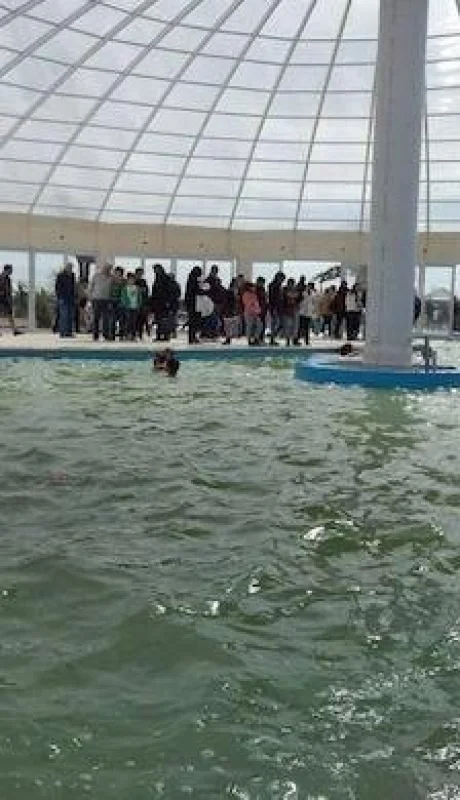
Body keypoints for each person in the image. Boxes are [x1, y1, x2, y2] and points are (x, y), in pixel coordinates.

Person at [89, 263, 114, 341]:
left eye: (109, 268)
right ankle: (95, 335)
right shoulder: (96, 276)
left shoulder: (111, 278)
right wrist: (90, 298)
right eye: (106, 268)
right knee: (96, 318)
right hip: (96, 299)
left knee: (106, 318)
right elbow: (91, 287)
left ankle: (106, 335)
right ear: (103, 268)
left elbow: (113, 288)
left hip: (106, 300)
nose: (108, 270)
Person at [55, 262, 76, 338]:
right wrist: (59, 298)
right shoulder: (60, 276)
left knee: (70, 316)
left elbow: (73, 287)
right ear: (66, 267)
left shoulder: (72, 275)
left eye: (71, 267)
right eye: (69, 267)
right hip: (63, 298)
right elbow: (57, 287)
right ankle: (63, 332)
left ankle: (69, 332)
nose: (70, 269)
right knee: (64, 316)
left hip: (71, 298)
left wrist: (75, 297)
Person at [185, 265, 202, 344]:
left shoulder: (190, 280)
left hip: (191, 304)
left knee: (192, 322)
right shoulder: (195, 281)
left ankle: (192, 337)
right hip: (195, 304)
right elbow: (197, 292)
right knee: (194, 322)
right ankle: (192, 337)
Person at [121, 272, 141, 340]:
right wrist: (125, 305)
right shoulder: (125, 288)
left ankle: (133, 334)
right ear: (127, 280)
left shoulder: (137, 288)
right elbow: (123, 298)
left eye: (133, 279)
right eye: (130, 279)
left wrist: (139, 304)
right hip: (128, 307)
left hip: (135, 307)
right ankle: (127, 334)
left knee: (134, 322)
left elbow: (139, 297)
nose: (131, 281)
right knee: (128, 321)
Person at [0, 264, 18, 335]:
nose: (12, 271)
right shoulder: (2, 277)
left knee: (10, 314)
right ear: (7, 270)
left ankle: (15, 330)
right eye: (11, 269)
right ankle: (15, 330)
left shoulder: (7, 278)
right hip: (2, 299)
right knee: (8, 314)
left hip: (6, 299)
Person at [268, 271, 285, 344]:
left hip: (279, 307)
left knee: (280, 324)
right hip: (275, 307)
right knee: (276, 324)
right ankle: (272, 338)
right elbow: (272, 298)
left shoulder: (278, 286)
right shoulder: (273, 286)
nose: (282, 281)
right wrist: (273, 308)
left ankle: (272, 337)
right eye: (281, 279)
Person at [283, 277, 300, 346]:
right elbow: (286, 298)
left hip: (294, 309)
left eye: (292, 284)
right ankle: (288, 340)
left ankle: (294, 340)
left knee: (295, 326)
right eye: (290, 284)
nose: (291, 285)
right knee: (288, 326)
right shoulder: (284, 290)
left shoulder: (295, 290)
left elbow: (298, 298)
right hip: (287, 310)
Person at [222, 278, 239, 345]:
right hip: (230, 310)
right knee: (229, 325)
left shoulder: (232, 291)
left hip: (230, 310)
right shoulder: (231, 292)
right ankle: (228, 338)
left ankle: (228, 338)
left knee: (229, 325)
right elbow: (229, 302)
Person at [111, 266, 126, 340]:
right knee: (112, 319)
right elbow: (109, 291)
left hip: (121, 302)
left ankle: (121, 334)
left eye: (118, 272)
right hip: (113, 301)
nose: (117, 274)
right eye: (116, 272)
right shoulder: (112, 281)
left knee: (121, 320)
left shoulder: (124, 281)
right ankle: (112, 335)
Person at [135, 267, 150, 339]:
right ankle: (135, 333)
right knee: (135, 319)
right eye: (139, 273)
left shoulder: (143, 281)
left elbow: (146, 292)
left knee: (141, 319)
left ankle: (140, 333)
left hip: (142, 303)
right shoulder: (133, 280)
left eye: (141, 273)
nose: (140, 275)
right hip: (134, 303)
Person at [255, 276, 268, 344]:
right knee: (259, 325)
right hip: (258, 310)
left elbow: (264, 299)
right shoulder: (255, 290)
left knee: (262, 325)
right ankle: (257, 339)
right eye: (261, 282)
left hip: (263, 309)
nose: (262, 284)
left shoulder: (262, 289)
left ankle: (260, 338)